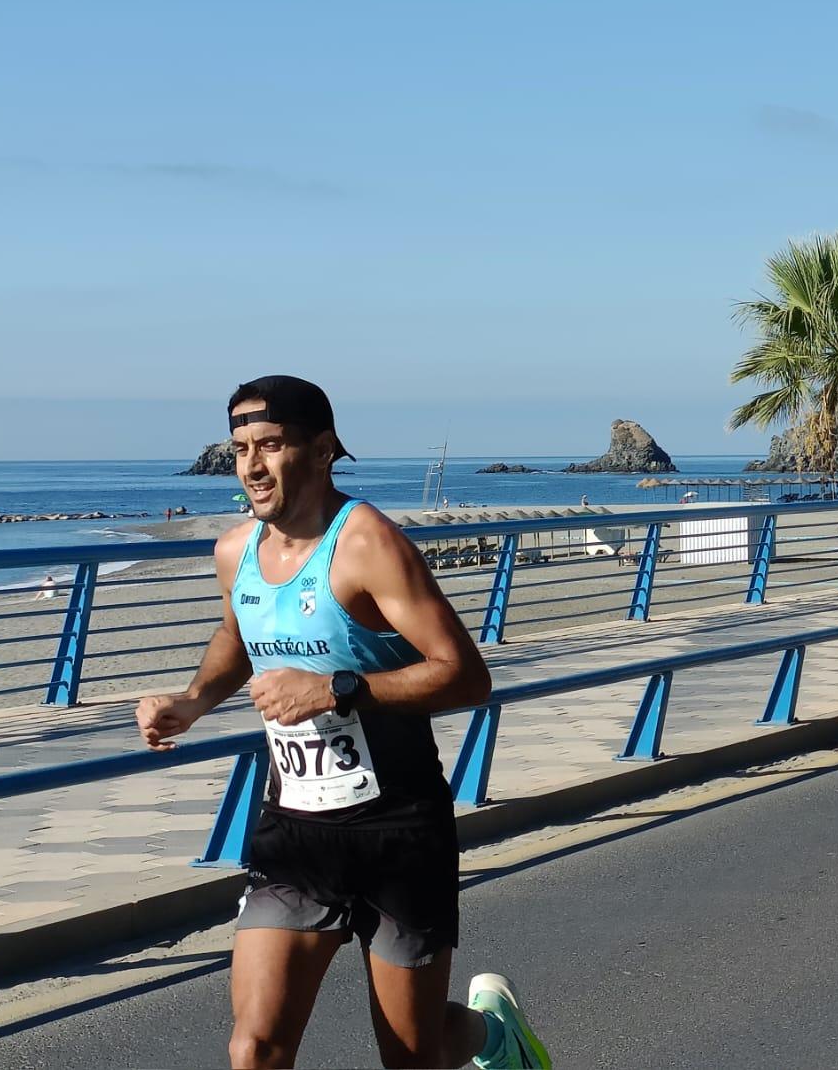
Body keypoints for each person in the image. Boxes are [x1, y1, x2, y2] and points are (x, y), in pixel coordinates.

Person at [134, 376, 548, 1070]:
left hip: (397, 830)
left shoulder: (367, 544)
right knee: (254, 1048)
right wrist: (195, 699)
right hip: (294, 830)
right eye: (240, 449)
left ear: (323, 450)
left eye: (271, 445)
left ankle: (493, 1035)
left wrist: (335, 689)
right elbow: (237, 634)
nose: (252, 465)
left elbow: (465, 674)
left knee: (412, 1054)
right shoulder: (235, 551)